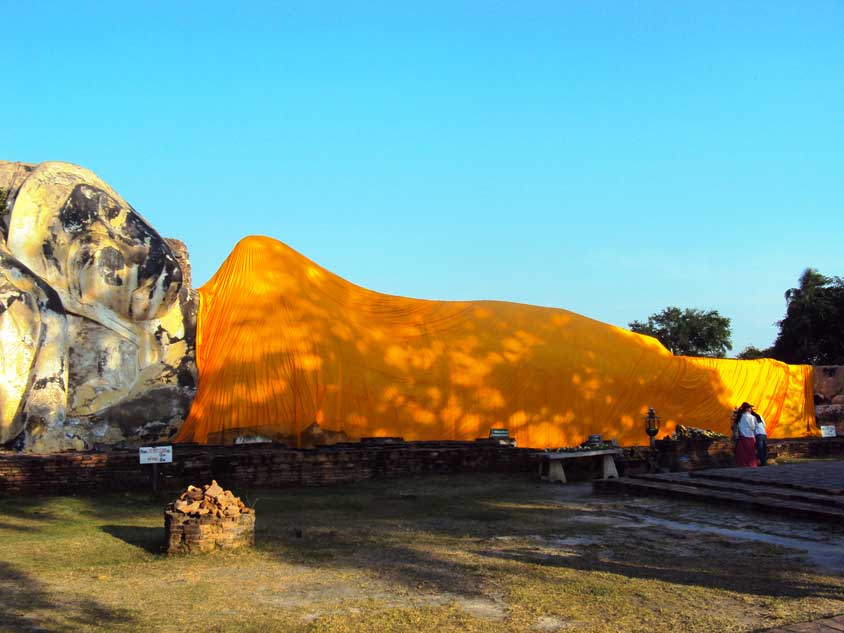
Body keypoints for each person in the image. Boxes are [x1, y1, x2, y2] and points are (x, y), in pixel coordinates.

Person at [734, 402, 758, 468]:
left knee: (743, 453)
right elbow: (753, 427)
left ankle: (743, 465)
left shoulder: (740, 417)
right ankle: (751, 465)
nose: (751, 409)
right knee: (751, 453)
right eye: (750, 408)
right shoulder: (752, 417)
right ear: (747, 409)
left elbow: (738, 426)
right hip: (750, 436)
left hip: (742, 437)